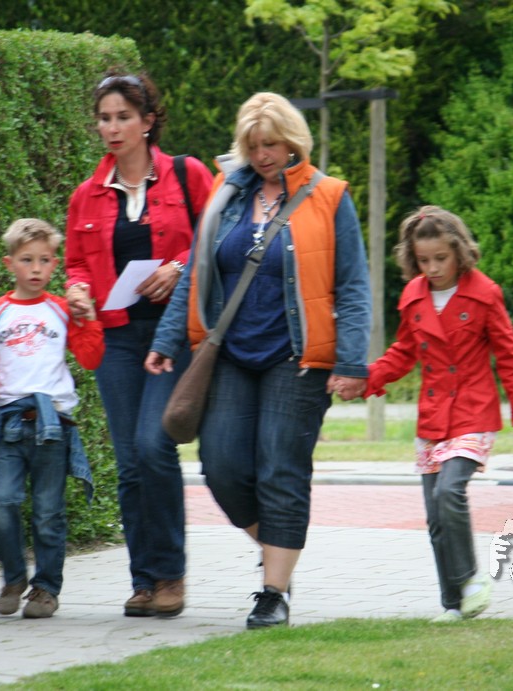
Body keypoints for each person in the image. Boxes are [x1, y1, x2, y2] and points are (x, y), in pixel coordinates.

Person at [145, 92, 372, 629]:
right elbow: (198, 272)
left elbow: (354, 287)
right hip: (229, 354)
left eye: (270, 144)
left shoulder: (329, 197)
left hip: (297, 359)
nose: (262, 154)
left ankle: (273, 592)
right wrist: (167, 338)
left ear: (292, 142)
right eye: (253, 145)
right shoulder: (226, 193)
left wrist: (352, 362)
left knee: (280, 469)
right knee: (221, 467)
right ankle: (277, 550)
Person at [63, 69, 214, 618]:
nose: (112, 127)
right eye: (104, 118)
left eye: (123, 117)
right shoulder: (86, 196)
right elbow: (76, 263)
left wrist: (179, 268)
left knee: (153, 446)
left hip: (172, 333)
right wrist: (77, 290)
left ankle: (171, 574)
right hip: (116, 338)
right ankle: (144, 581)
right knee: (128, 462)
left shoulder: (187, 175)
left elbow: (218, 239)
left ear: (148, 121)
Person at [365, 205, 513, 623]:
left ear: (459, 251)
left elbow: (509, 352)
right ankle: (452, 605)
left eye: (441, 258)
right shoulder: (413, 296)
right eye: (423, 260)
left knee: (448, 493)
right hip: (432, 419)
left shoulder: (485, 292)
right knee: (435, 518)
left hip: (473, 412)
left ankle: (471, 579)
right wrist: (365, 380)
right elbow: (403, 352)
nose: (433, 268)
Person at [0, 218, 104, 619]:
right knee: (1, 503)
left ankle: (46, 589)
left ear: (54, 264)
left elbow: (90, 357)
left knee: (48, 513)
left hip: (53, 426)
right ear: (9, 263)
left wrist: (88, 316)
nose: (35, 268)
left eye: (44, 260)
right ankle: (14, 577)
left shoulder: (61, 310)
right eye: (26, 259)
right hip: (8, 425)